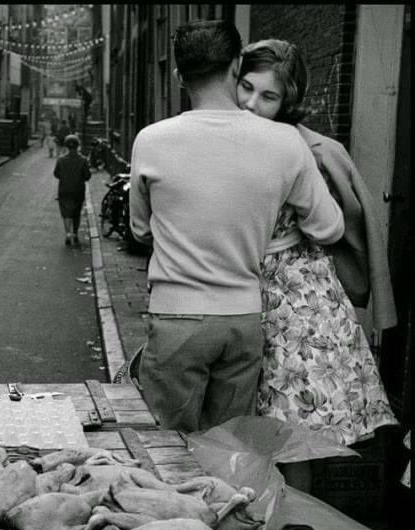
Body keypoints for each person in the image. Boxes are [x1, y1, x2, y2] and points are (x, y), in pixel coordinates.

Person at [129, 19, 345, 434]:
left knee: (167, 450)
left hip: (177, 317)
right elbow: (329, 227)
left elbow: (141, 231)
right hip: (244, 319)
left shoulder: (150, 141)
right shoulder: (286, 143)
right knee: (229, 454)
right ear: (234, 67)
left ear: (178, 76)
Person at [236, 39, 398, 491]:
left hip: (300, 308)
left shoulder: (311, 150)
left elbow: (341, 226)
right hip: (262, 299)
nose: (251, 104)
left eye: (267, 97)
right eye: (245, 87)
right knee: (282, 436)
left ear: (287, 102)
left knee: (297, 436)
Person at [54, 134, 91, 247]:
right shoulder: (83, 160)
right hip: (78, 190)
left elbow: (56, 174)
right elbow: (87, 176)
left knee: (66, 213)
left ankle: (68, 234)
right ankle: (75, 233)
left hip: (64, 190)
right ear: (77, 146)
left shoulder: (61, 160)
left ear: (66, 146)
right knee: (76, 213)